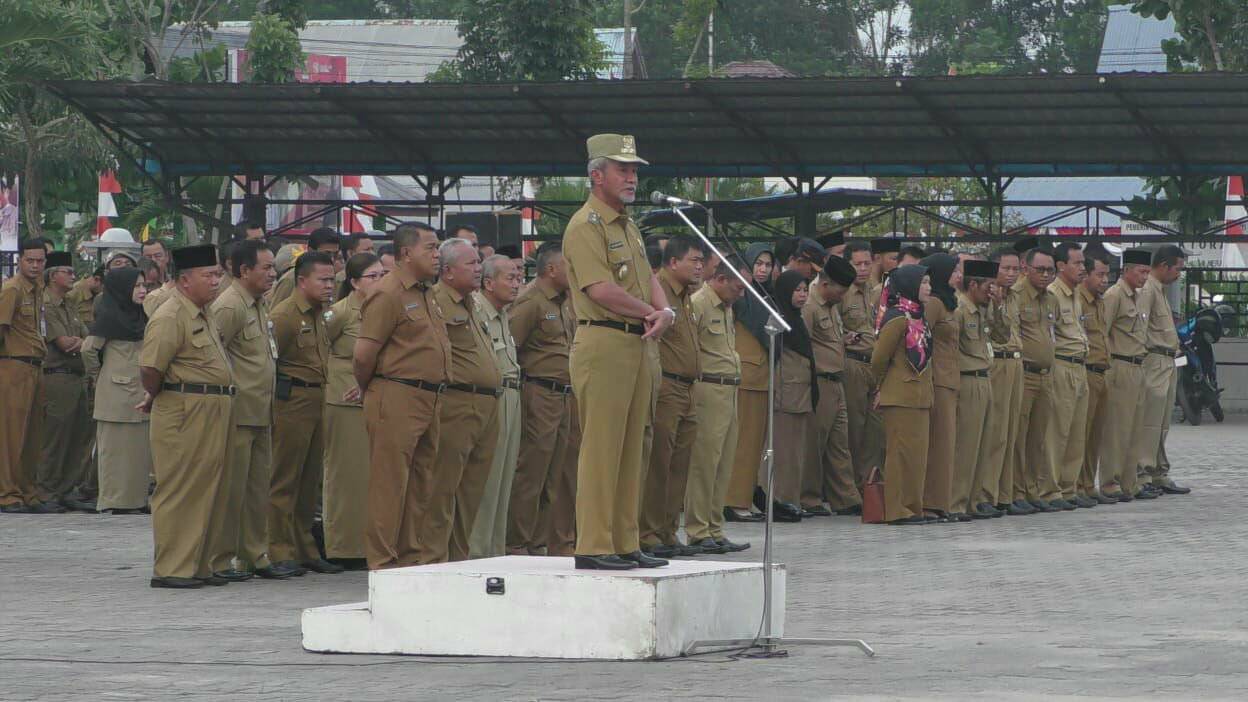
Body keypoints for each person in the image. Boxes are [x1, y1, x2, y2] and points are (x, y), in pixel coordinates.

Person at [562, 133, 673, 571]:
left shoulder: (627, 225)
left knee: (633, 445)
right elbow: (600, 288)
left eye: (634, 170)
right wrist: (653, 312)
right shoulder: (584, 225)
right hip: (603, 340)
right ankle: (593, 543)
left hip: (636, 342)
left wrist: (664, 310)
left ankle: (626, 540)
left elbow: (647, 277)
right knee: (602, 446)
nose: (632, 177)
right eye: (622, 169)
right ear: (596, 175)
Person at [353, 222, 451, 570]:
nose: (437, 255)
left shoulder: (426, 292)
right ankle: (382, 562)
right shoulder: (387, 293)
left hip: (428, 397)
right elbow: (364, 354)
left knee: (420, 484)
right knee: (389, 484)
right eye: (431, 247)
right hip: (396, 393)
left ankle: (410, 558)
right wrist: (372, 390)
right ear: (406, 253)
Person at [139, 244, 234, 589]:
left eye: (218, 275)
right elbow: (150, 368)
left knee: (209, 487)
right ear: (184, 280)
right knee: (180, 486)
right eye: (208, 275)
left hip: (212, 407)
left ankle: (198, 564)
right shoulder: (170, 315)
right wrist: (160, 393)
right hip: (184, 407)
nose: (216, 282)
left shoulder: (203, 312)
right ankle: (172, 568)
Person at [209, 240, 295, 580]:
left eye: (274, 267)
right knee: (232, 490)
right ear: (243, 271)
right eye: (266, 268)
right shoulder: (230, 305)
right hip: (238, 411)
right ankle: (221, 558)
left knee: (257, 489)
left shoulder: (258, 303)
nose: (272, 274)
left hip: (261, 409)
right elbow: (215, 353)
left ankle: (254, 555)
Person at [268, 251, 340, 575]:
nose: (329, 286)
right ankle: (278, 549)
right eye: (323, 280)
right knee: (285, 479)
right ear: (301, 281)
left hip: (316, 399)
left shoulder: (318, 315)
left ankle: (303, 547)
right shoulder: (285, 316)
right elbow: (271, 362)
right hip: (291, 401)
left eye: (332, 279)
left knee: (310, 481)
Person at [507, 243, 581, 557]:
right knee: (531, 473)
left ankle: (541, 540)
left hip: (564, 395)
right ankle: (517, 542)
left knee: (556, 474)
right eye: (569, 266)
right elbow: (513, 348)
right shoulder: (530, 302)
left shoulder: (566, 302)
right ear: (551, 270)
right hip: (539, 393)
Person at [431, 238, 501, 563]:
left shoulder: (473, 303)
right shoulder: (436, 302)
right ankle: (434, 557)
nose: (478, 268)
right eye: (471, 264)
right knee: (443, 488)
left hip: (487, 406)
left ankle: (458, 556)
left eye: (478, 262)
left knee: (473, 490)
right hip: (458, 403)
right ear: (447, 272)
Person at [641, 234, 705, 558]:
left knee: (679, 466)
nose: (699, 266)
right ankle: (650, 533)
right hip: (666, 386)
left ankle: (667, 530)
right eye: (693, 260)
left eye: (701, 261)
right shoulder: (660, 291)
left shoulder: (686, 297)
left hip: (688, 389)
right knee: (659, 465)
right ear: (673, 262)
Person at [322, 252, 384, 571]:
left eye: (382, 275)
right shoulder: (340, 313)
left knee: (370, 475)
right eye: (372, 276)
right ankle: (343, 546)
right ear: (355, 282)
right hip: (343, 396)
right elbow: (321, 348)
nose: (379, 281)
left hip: (374, 393)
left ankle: (367, 543)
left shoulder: (384, 308)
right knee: (347, 474)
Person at [684, 256, 750, 552]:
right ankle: (698, 530)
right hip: (708, 388)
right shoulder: (699, 304)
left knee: (723, 463)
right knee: (704, 464)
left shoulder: (725, 308)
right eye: (738, 286)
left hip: (729, 389)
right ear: (720, 279)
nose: (742, 293)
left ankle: (714, 527)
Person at [83, 268, 152, 515]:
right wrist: (99, 375)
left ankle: (136, 499)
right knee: (115, 450)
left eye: (144, 285)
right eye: (136, 286)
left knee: (137, 450)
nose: (143, 290)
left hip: (140, 390)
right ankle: (116, 500)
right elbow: (88, 350)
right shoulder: (109, 317)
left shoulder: (142, 316)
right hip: (115, 393)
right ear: (123, 289)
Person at [871, 264, 933, 525]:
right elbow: (878, 359)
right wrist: (881, 387)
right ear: (910, 286)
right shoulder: (897, 318)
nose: (929, 287)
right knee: (899, 455)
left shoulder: (919, 316)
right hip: (899, 395)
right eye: (924, 283)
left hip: (919, 396)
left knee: (917, 457)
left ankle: (913, 506)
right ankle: (897, 509)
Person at [469, 254, 522, 558]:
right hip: (493, 396)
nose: (517, 284)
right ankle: (477, 553)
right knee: (486, 480)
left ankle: (495, 550)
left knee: (504, 480)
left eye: (518, 277)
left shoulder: (503, 314)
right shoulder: (477, 311)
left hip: (513, 395)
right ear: (489, 283)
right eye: (510, 278)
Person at [801, 255, 861, 517]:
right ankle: (809, 498)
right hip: (820, 382)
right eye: (841, 290)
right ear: (826, 284)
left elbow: (828, 339)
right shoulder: (810, 305)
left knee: (839, 443)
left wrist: (844, 339)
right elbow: (803, 345)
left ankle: (846, 498)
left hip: (837, 381)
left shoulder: (831, 306)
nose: (844, 295)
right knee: (816, 442)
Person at [37, 251, 94, 511]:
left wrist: (82, 344)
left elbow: (86, 339)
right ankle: (47, 490)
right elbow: (65, 344)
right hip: (57, 377)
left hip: (77, 377)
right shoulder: (47, 303)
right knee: (55, 438)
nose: (73, 276)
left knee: (80, 436)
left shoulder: (69, 303)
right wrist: (83, 344)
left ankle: (67, 489)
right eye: (67, 272)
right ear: (52, 276)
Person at [1011, 246, 1064, 512]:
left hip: (1046, 376)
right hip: (1025, 374)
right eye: (1040, 269)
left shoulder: (1051, 299)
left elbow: (1051, 334)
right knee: (1019, 438)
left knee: (1038, 438)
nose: (1045, 275)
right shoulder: (1016, 296)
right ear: (1025, 268)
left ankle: (1033, 490)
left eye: (1050, 270)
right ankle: (1017, 491)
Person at [0, 238, 51, 513]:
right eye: (30, 260)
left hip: (35, 365)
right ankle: (7, 494)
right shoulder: (12, 289)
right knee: (10, 436)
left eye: (40, 260)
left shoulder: (37, 289)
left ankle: (28, 492)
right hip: (13, 366)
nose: (35, 265)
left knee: (32, 436)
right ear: (20, 260)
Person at [722, 244, 772, 522]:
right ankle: (734, 501)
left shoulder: (763, 296)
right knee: (742, 443)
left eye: (768, 264)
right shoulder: (740, 297)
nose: (763, 269)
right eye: (758, 264)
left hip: (761, 376)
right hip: (745, 377)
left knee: (754, 445)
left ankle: (745, 497)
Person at [1099, 249, 1153, 502]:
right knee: (1117, 430)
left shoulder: (1137, 297)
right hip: (1120, 365)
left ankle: (1129, 482)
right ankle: (1110, 482)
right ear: (1127, 270)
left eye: (1147, 272)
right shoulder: (1114, 295)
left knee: (1134, 430)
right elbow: (1103, 332)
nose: (1145, 277)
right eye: (1141, 272)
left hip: (1138, 366)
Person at [1138, 245, 1191, 495]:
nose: (1179, 274)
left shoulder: (1161, 291)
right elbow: (1140, 328)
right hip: (1154, 360)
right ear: (1163, 266)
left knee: (1162, 423)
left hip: (1169, 361)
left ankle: (1159, 472)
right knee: (1150, 422)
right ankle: (1143, 474)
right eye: (1177, 268)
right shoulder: (1147, 290)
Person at [1046, 243, 1093, 509]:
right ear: (1061, 266)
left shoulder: (1076, 294)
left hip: (1080, 365)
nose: (1082, 268)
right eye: (1076, 263)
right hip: (1062, 365)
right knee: (1058, 432)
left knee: (1077, 432)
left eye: (1083, 263)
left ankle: (1068, 487)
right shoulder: (1053, 293)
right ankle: (1051, 489)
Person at [953, 259, 1000, 519]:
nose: (991, 291)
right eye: (988, 287)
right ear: (973, 284)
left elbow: (1002, 334)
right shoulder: (960, 309)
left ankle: (972, 501)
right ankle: (956, 502)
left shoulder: (984, 308)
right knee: (966, 447)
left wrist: (998, 305)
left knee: (983, 445)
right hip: (968, 379)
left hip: (985, 377)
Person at [770, 269, 817, 522]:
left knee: (796, 453)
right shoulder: (778, 318)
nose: (801, 295)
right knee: (783, 451)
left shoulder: (797, 318)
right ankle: (780, 500)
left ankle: (792, 499)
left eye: (805, 290)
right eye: (797, 290)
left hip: (801, 394)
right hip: (785, 394)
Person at [987, 245, 1030, 515]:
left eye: (1016, 269)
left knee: (1012, 433)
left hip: (1016, 362)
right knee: (997, 433)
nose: (1012, 274)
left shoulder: (1015, 296)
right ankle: (988, 493)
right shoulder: (987, 294)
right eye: (1006, 268)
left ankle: (1006, 493)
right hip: (998, 363)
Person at [919, 253, 962, 522]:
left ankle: (941, 501)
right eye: (954, 270)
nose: (958, 274)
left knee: (947, 444)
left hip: (950, 378)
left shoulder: (949, 303)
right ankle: (929, 502)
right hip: (937, 380)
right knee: (938, 444)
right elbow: (921, 338)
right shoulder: (934, 302)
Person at [839, 240, 885, 492]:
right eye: (858, 264)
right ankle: (850, 488)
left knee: (873, 432)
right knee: (853, 430)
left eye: (867, 263)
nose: (863, 268)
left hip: (873, 365)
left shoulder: (874, 291)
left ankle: (868, 485)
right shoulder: (842, 292)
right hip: (853, 364)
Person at [1078, 252, 1114, 505]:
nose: (1105, 280)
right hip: (1087, 371)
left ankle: (1089, 484)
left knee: (1095, 435)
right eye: (1099, 274)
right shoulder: (1078, 300)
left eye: (1106, 275)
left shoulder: (1100, 302)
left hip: (1103, 372)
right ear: (1086, 275)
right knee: (1081, 432)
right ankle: (1076, 484)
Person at [269, 227, 339, 306]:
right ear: (311, 251)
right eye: (327, 253)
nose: (332, 259)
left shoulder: (333, 277)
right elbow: (276, 313)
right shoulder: (291, 279)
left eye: (335, 254)